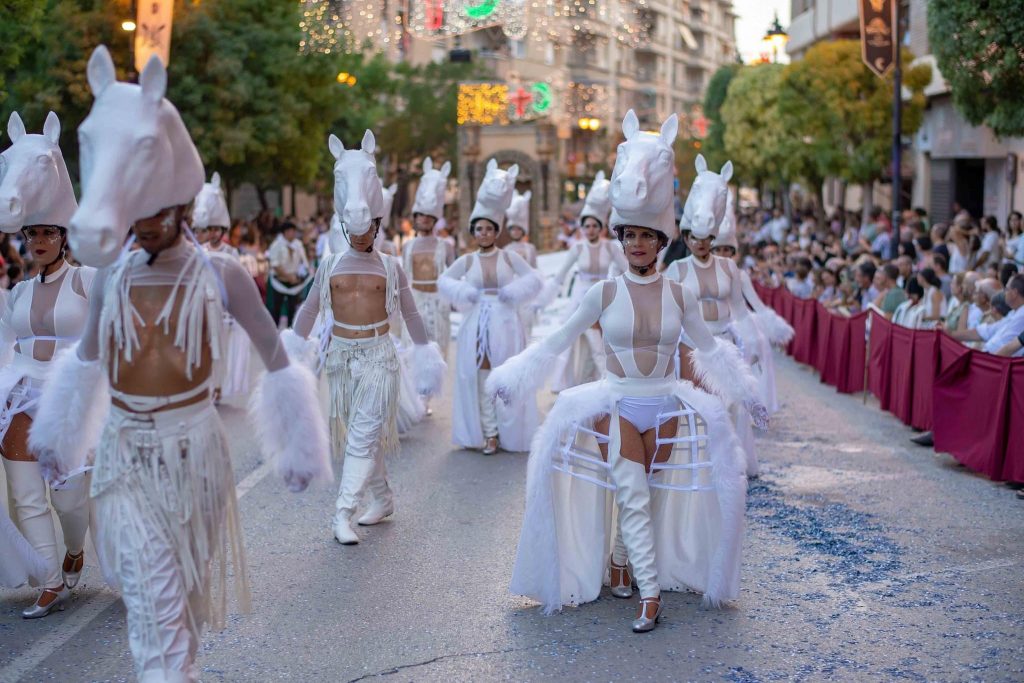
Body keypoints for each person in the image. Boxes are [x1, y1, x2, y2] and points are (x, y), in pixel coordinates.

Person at [27, 48, 332, 682]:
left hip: (194, 456)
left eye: (155, 217)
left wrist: (299, 450)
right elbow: (87, 361)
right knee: (149, 598)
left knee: (180, 604)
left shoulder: (223, 275)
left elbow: (278, 362)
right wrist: (56, 439)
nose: (142, 229)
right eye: (134, 221)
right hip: (124, 458)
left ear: (181, 208)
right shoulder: (111, 277)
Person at [487, 111, 765, 633]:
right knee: (634, 495)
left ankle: (620, 560)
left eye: (645, 235)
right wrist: (511, 377)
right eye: (628, 235)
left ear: (661, 241)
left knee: (644, 495)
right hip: (615, 403)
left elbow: (710, 351)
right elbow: (555, 340)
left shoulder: (680, 295)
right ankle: (650, 595)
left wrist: (748, 395)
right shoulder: (603, 293)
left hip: (667, 406)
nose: (636, 243)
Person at [291, 131, 445, 545]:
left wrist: (426, 357)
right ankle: (382, 498)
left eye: (369, 230)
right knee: (363, 433)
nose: (362, 236)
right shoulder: (329, 266)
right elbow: (309, 311)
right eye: (355, 231)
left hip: (380, 357)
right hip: (341, 359)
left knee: (362, 433)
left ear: (377, 226)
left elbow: (411, 314)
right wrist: (290, 353)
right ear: (345, 226)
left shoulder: (391, 267)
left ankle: (343, 513)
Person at [0, 111, 94, 618]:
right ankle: (51, 581)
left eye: (47, 233)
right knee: (23, 492)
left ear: (63, 237)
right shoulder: (16, 293)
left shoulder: (86, 281)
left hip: (71, 398)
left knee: (69, 498)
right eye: (30, 233)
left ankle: (75, 548)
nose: (37, 241)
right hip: (22, 394)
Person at [664, 155, 765, 478]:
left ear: (714, 238)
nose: (700, 243)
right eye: (693, 237)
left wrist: (753, 343)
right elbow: (668, 314)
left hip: (725, 343)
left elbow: (741, 311)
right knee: (696, 407)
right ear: (686, 237)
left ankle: (728, 466)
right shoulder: (677, 269)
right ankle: (698, 468)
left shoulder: (729, 268)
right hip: (690, 346)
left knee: (731, 406)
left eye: (706, 238)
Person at [438, 159, 542, 455]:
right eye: (479, 229)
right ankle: (490, 433)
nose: (483, 233)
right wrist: (464, 292)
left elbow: (534, 279)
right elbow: (444, 279)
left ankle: (510, 431)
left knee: (505, 375)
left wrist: (513, 292)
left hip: (506, 323)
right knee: (481, 376)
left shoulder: (509, 258)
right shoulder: (467, 260)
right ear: (473, 232)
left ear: (497, 231)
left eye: (488, 229)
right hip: (477, 325)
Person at [550, 171, 627, 391]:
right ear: (582, 227)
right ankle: (564, 384)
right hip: (580, 299)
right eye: (586, 226)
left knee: (600, 345)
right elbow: (560, 275)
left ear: (601, 227)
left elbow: (627, 269)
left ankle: (604, 385)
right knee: (567, 340)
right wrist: (542, 298)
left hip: (603, 297)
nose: (590, 230)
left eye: (594, 225)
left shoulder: (610, 247)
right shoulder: (577, 248)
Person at [193, 173, 252, 402]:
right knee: (205, 348)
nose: (215, 233)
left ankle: (218, 386)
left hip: (224, 309)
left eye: (218, 230)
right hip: (203, 307)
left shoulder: (231, 253)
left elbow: (236, 282)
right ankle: (206, 385)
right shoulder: (200, 251)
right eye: (212, 229)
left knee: (221, 350)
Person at [401, 158, 456, 362]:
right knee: (412, 354)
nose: (424, 219)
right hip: (414, 304)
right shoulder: (408, 247)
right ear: (415, 218)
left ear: (435, 218)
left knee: (437, 354)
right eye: (420, 215)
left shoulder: (446, 246)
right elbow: (403, 279)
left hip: (438, 305)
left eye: (428, 216)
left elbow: (453, 277)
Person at [946, 274, 1024, 354]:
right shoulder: (1013, 313)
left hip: (992, 359)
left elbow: (1006, 346)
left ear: (1014, 293)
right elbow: (987, 331)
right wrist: (950, 334)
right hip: (987, 356)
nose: (1004, 292)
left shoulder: (1022, 315)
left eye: (1006, 289)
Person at [266, 221, 311, 326]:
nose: (293, 233)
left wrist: (302, 274)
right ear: (285, 232)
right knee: (276, 307)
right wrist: (287, 276)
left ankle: (290, 329)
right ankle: (274, 329)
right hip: (279, 281)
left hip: (294, 281)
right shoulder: (276, 244)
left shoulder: (298, 244)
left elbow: (304, 262)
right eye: (290, 231)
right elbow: (274, 264)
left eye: (294, 231)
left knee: (292, 307)